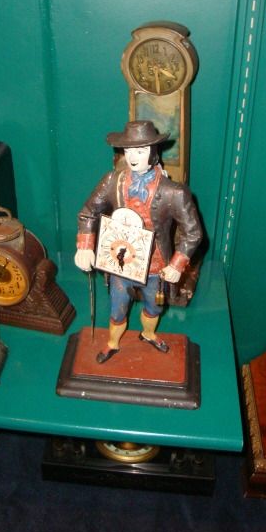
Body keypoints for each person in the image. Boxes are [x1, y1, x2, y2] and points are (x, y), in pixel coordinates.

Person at [74, 120, 203, 363]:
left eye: (141, 151)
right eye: (129, 150)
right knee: (117, 307)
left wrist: (177, 264)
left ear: (153, 152)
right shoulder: (112, 181)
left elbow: (193, 232)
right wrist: (85, 246)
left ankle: (149, 333)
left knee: (154, 307)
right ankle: (113, 342)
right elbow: (88, 212)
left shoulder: (174, 192)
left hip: (156, 266)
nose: (133, 157)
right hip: (121, 262)